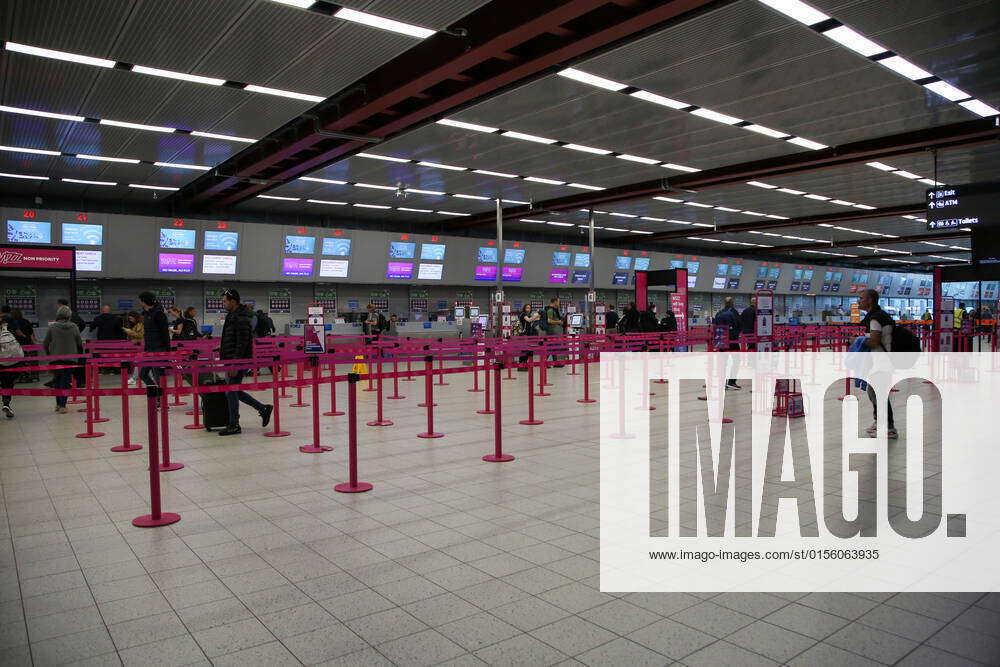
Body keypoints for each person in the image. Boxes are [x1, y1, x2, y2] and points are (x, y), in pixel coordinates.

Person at [217, 288, 272, 436]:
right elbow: (233, 339)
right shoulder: (233, 315)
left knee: (231, 391)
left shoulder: (240, 317)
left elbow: (242, 343)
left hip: (238, 361)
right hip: (232, 359)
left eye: (224, 301)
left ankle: (234, 424)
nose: (223, 304)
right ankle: (263, 408)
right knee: (232, 391)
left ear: (233, 301)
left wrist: (235, 363)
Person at [858, 288, 897, 439]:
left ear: (870, 300)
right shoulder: (876, 316)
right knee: (873, 392)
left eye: (861, 298)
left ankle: (889, 427)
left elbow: (874, 342)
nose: (858, 301)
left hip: (882, 362)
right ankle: (879, 421)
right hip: (878, 362)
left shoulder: (875, 319)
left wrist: (858, 341)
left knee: (879, 394)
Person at [43, 306, 82, 414]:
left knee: (57, 380)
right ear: (69, 315)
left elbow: (45, 343)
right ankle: (62, 405)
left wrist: (48, 354)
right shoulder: (74, 327)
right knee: (65, 381)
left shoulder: (52, 327)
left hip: (55, 359)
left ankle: (58, 404)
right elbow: (79, 342)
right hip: (70, 359)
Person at [138, 291, 170, 389]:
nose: (139, 302)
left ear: (144, 301)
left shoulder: (159, 313)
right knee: (143, 374)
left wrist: (168, 349)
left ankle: (161, 399)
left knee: (158, 375)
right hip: (150, 349)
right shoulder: (146, 313)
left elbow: (164, 332)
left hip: (159, 348)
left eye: (140, 300)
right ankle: (155, 392)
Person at [713, 296, 742, 389]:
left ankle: (722, 382)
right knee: (736, 361)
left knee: (722, 362)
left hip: (721, 340)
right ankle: (731, 382)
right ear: (732, 302)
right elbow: (739, 325)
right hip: (732, 340)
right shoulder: (733, 312)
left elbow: (715, 326)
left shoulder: (718, 313)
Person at [0, 317, 24, 418]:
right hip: (12, 362)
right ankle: (6, 404)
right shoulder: (10, 327)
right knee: (8, 383)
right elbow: (20, 339)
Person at [10, 308, 37, 382]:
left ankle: (21, 374)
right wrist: (34, 343)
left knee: (17, 360)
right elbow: (31, 334)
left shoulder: (12, 323)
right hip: (26, 344)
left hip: (16, 345)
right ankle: (26, 374)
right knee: (25, 359)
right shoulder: (26, 321)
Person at [123, 312, 144, 385]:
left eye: (131, 318)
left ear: (135, 317)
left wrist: (129, 332)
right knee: (144, 362)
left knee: (138, 361)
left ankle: (134, 378)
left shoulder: (140, 325)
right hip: (139, 346)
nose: (130, 320)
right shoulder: (137, 325)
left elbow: (139, 335)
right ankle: (148, 377)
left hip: (142, 346)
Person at [544, 297, 564, 366]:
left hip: (555, 331)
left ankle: (555, 363)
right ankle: (544, 362)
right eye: (558, 302)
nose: (559, 303)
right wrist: (558, 321)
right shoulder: (550, 310)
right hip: (552, 331)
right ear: (555, 302)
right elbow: (549, 320)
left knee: (554, 347)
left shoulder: (555, 310)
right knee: (552, 347)